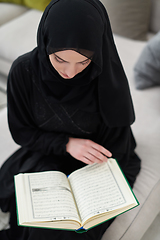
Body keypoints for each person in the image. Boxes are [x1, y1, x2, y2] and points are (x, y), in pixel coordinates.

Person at [0, 0, 141, 239]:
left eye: (83, 62)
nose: (70, 73)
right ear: (46, 44)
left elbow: (114, 149)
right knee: (38, 226)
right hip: (46, 153)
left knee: (76, 232)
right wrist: (66, 143)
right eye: (60, 60)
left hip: (96, 161)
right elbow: (23, 132)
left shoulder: (105, 78)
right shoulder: (23, 72)